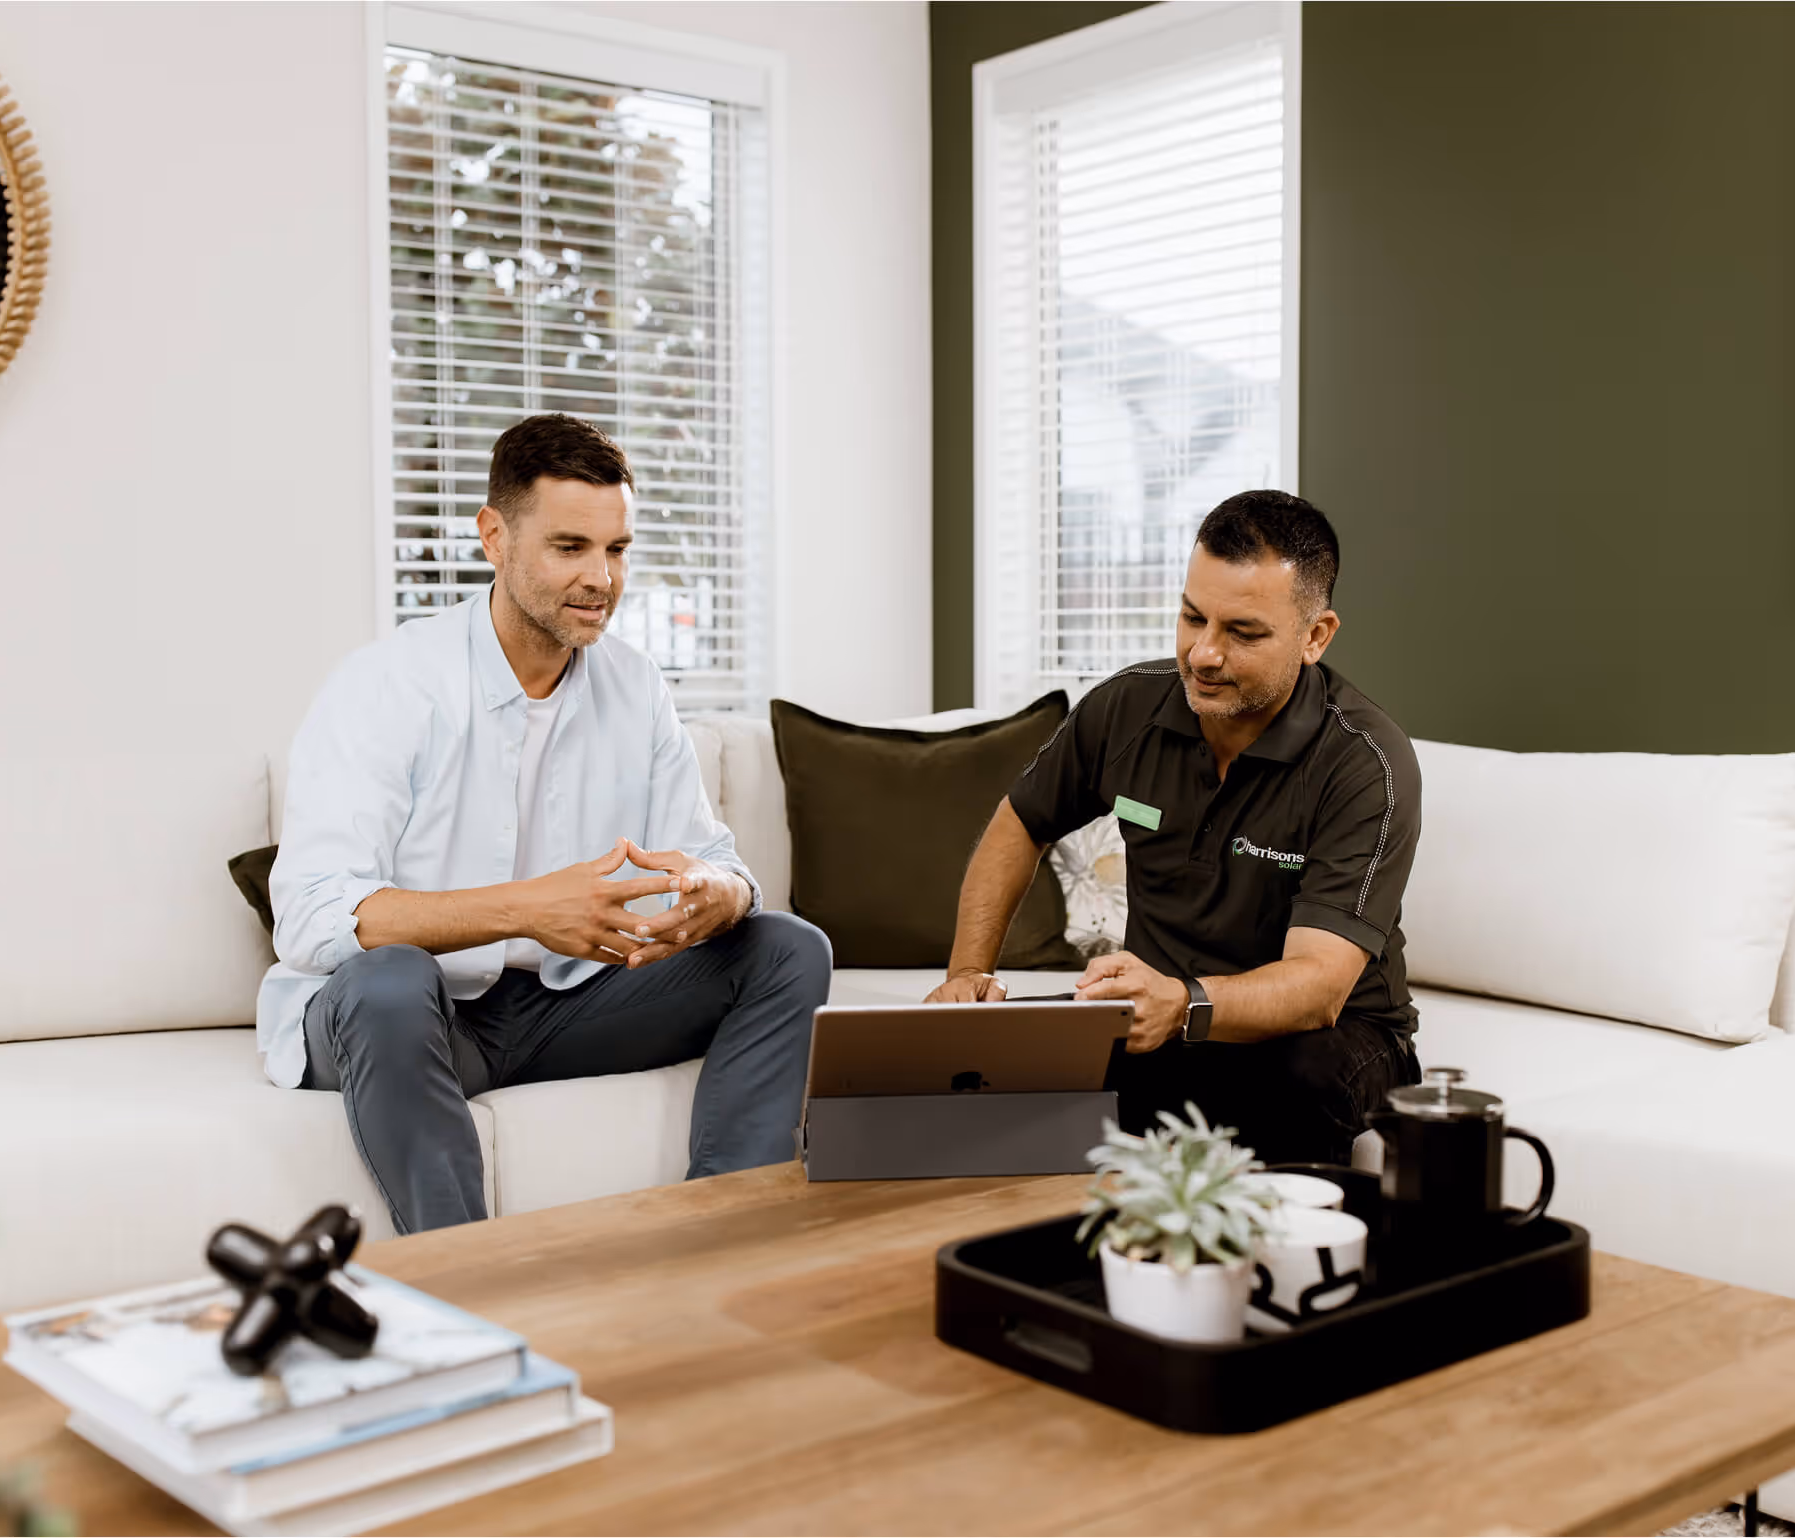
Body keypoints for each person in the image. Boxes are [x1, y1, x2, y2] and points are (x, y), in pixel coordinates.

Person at [259, 413, 830, 1233]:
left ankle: (722, 1237)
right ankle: (466, 1277)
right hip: (415, 1021)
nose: (602, 577)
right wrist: (529, 908)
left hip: (561, 1009)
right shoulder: (386, 686)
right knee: (389, 980)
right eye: (571, 548)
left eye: (617, 549)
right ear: (494, 537)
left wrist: (717, 894)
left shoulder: (634, 688)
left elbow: (716, 860)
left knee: (787, 948)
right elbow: (312, 918)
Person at [926, 490, 1421, 1164]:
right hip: (1156, 1016)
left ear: (1315, 636)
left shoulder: (1363, 764)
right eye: (1192, 618)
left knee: (1302, 1076)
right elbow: (1020, 824)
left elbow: (1318, 986)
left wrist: (1183, 1003)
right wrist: (966, 975)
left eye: (1242, 632)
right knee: (986, 1064)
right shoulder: (1127, 708)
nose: (1204, 654)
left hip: (1331, 1035)